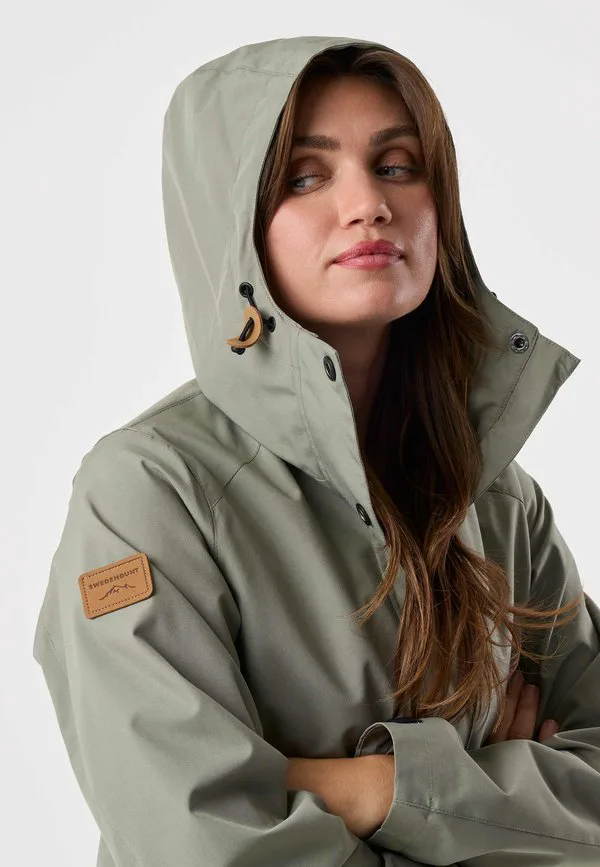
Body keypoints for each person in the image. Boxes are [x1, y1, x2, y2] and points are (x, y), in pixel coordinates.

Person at [32, 35, 600, 867]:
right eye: (305, 176)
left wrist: (378, 789)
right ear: (231, 222)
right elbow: (203, 846)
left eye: (398, 165)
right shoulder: (149, 495)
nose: (368, 203)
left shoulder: (499, 498)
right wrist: (499, 807)